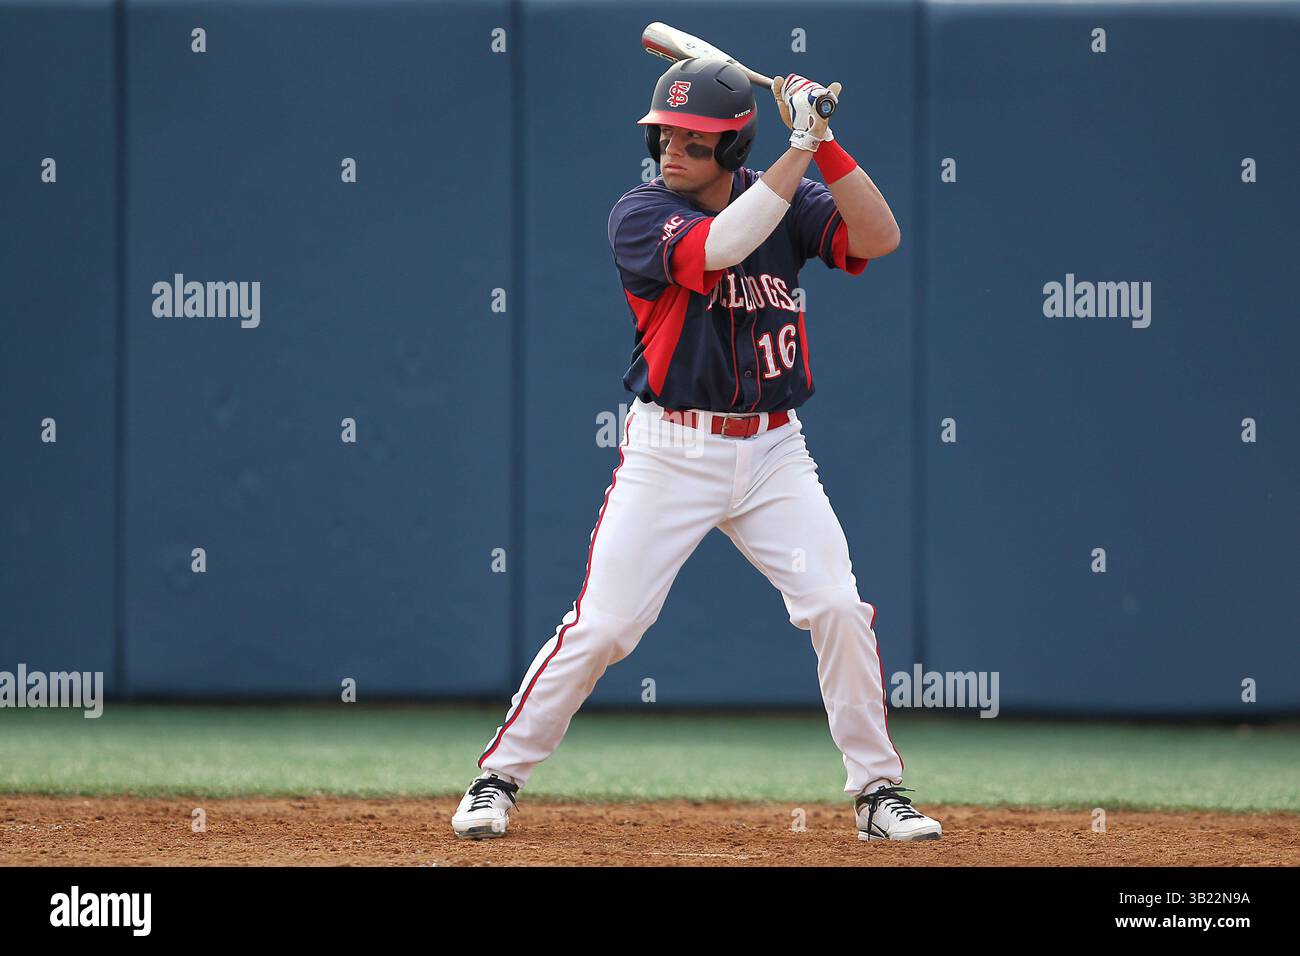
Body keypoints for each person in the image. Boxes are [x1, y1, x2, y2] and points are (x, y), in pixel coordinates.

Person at [451, 58, 942, 843]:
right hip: (671, 451)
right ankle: (497, 778)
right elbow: (720, 248)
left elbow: (879, 237)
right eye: (665, 135)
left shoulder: (786, 194)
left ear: (735, 148)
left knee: (838, 609)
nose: (672, 150)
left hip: (776, 453)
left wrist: (825, 143)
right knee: (605, 627)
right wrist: (798, 146)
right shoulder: (640, 214)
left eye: (695, 139)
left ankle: (879, 794)